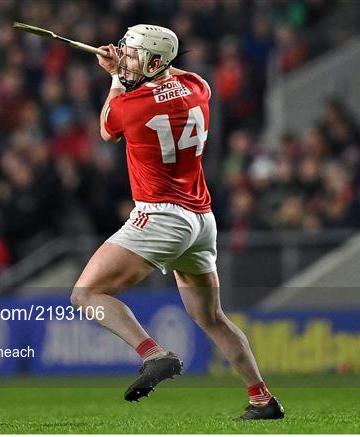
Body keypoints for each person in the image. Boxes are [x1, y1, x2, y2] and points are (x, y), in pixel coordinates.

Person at [70, 24, 284, 420]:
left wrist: (117, 77)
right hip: (201, 220)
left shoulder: (131, 106)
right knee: (211, 318)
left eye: (132, 53)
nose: (125, 56)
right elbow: (164, 82)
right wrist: (129, 68)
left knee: (86, 294)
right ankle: (262, 399)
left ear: (154, 61)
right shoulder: (198, 85)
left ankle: (154, 354)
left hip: (161, 216)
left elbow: (105, 129)